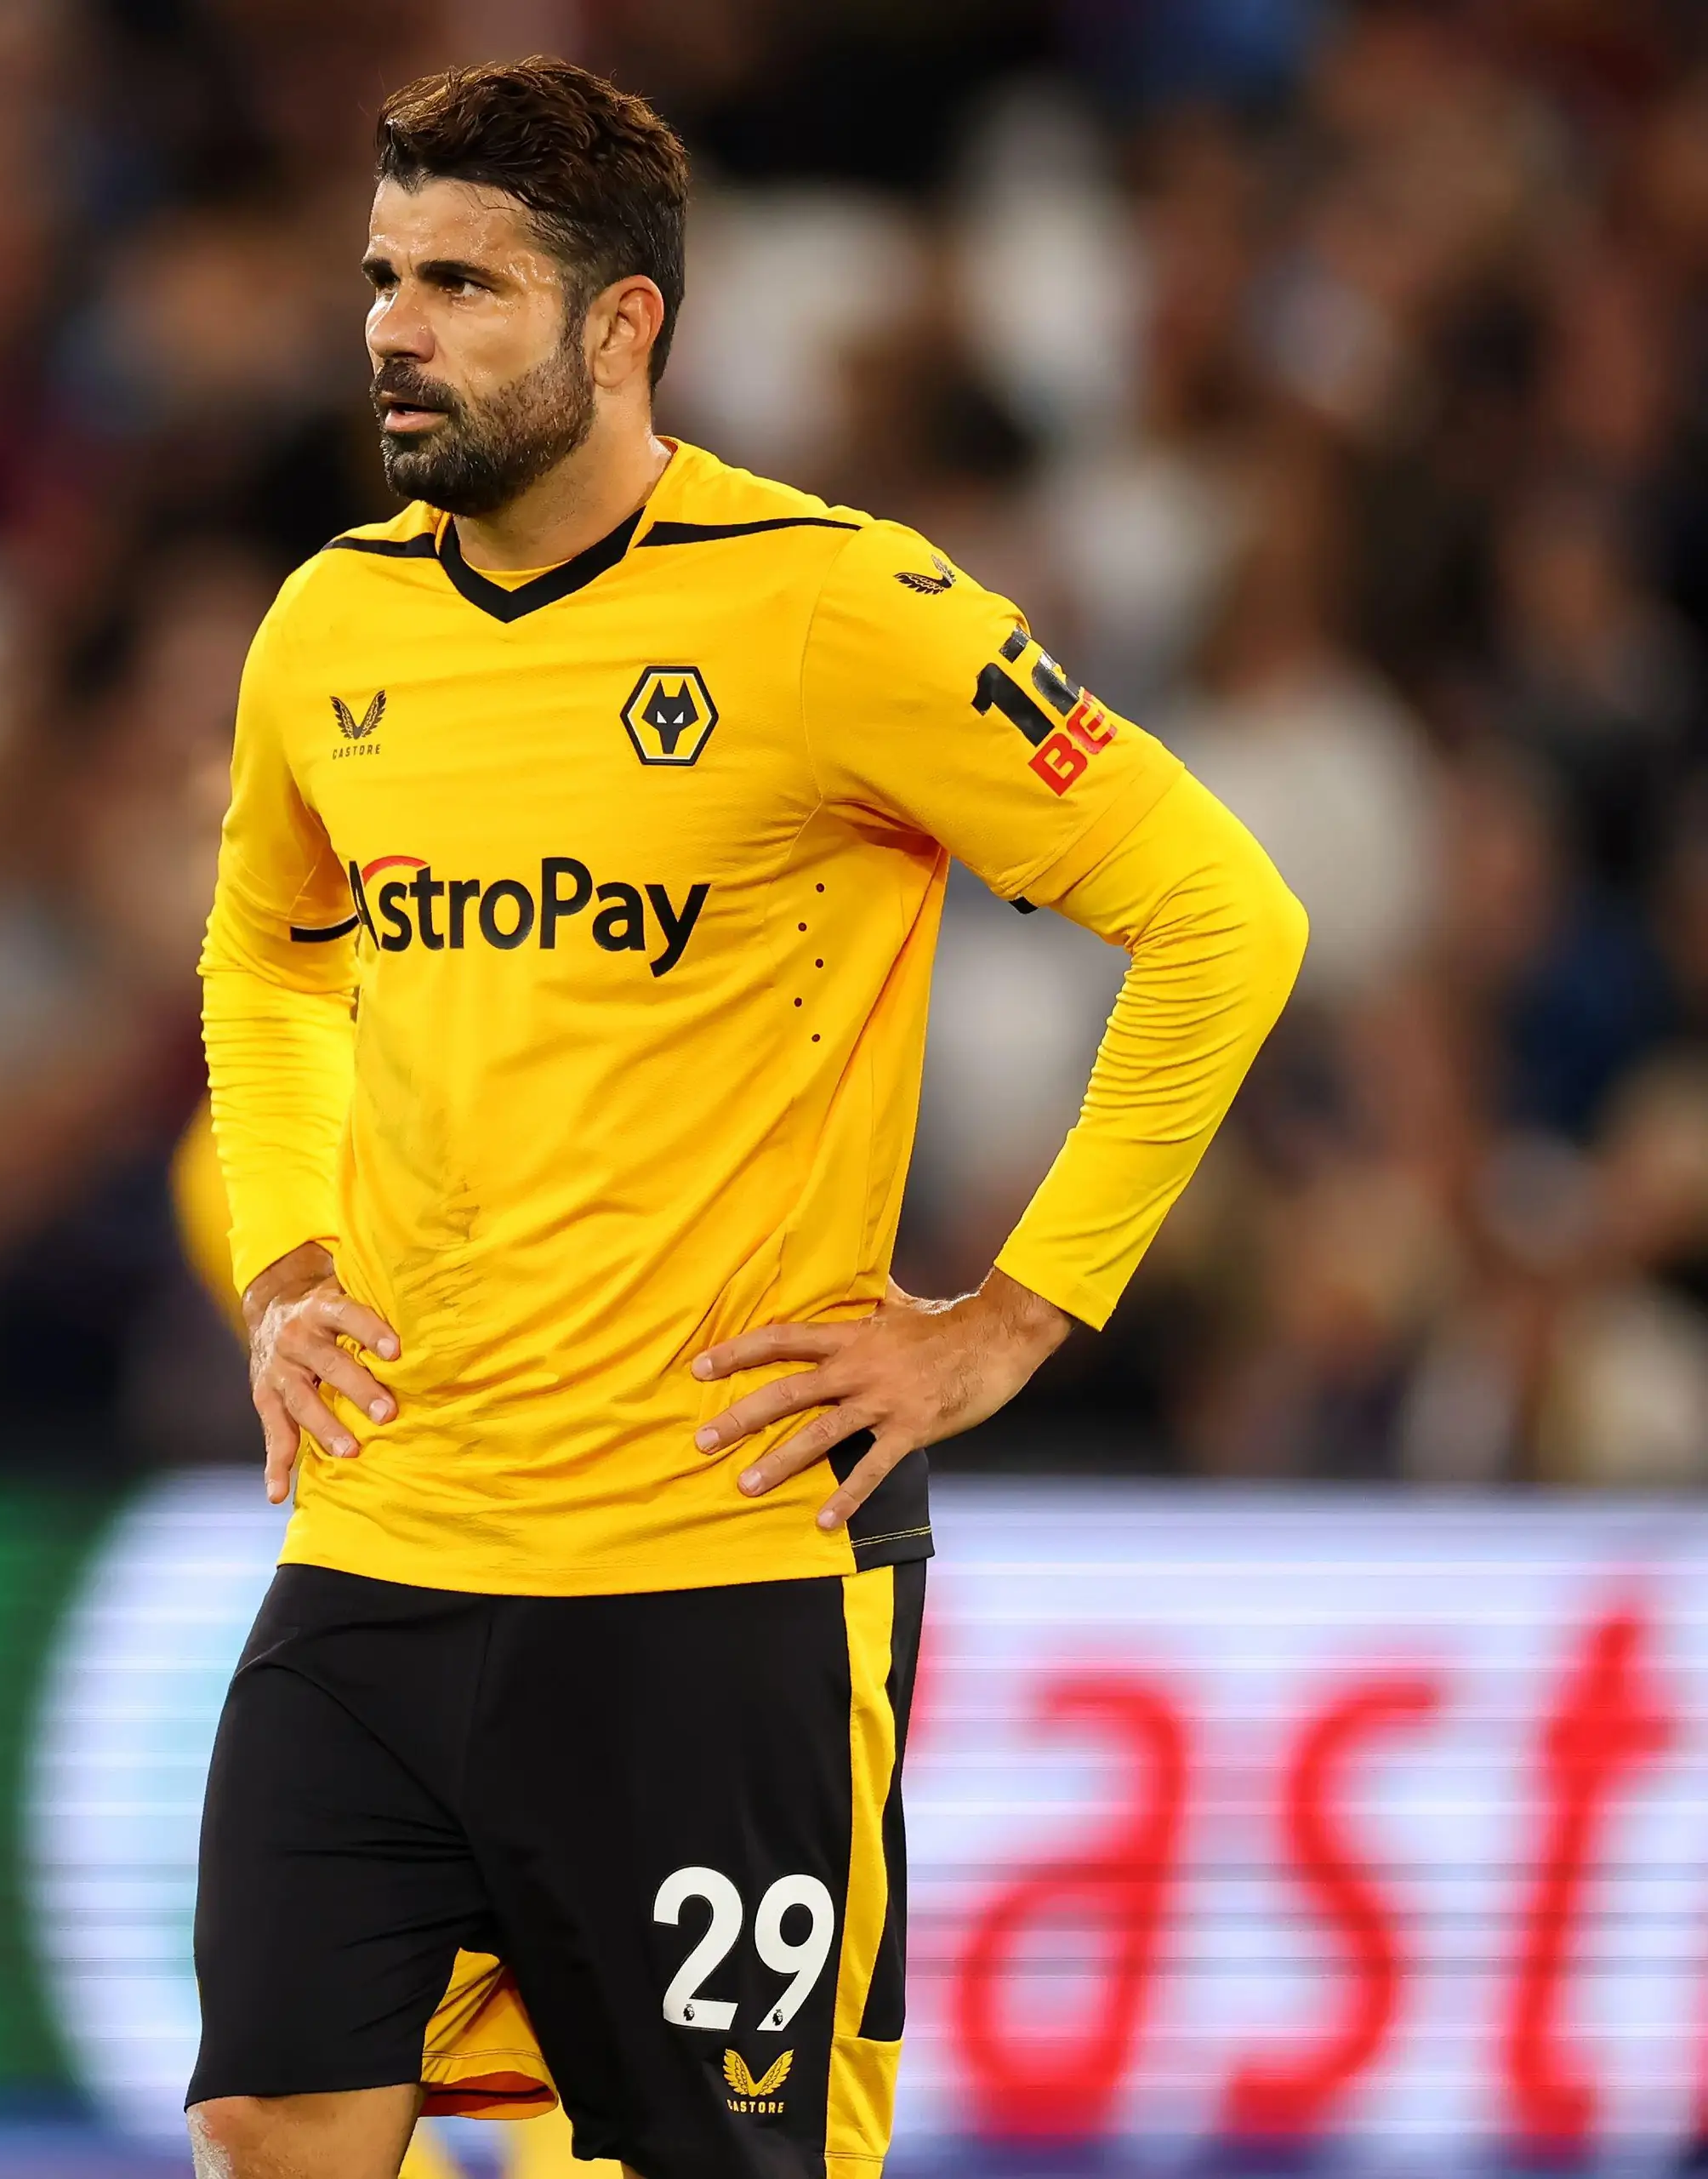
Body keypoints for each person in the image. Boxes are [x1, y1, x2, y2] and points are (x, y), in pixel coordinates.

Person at [188, 58, 1305, 2179]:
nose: (396, 330)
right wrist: (285, 1260)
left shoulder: (834, 607)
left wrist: (1011, 1318)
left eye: (464, 286)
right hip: (389, 1538)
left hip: (712, 1567)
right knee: (271, 2118)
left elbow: (1221, 914)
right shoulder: (330, 623)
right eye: (384, 276)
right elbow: (266, 951)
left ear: (624, 326)